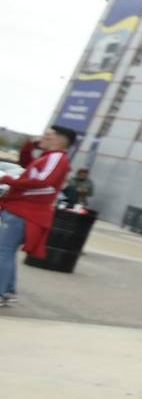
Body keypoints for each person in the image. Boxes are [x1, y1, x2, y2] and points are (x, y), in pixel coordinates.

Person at [0, 126, 74, 306]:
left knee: (4, 252)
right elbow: (27, 163)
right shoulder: (50, 157)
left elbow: (43, 182)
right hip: (24, 211)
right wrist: (31, 144)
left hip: (24, 211)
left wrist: (9, 180)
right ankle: (8, 291)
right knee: (6, 252)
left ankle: (3, 292)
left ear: (60, 139)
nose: (44, 138)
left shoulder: (56, 158)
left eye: (48, 135)